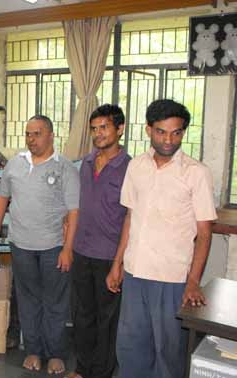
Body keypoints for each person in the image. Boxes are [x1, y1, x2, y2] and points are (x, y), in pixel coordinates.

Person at [106, 99, 217, 378]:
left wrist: (193, 282)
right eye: (161, 132)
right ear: (148, 130)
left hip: (172, 277)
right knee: (131, 347)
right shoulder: (137, 167)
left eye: (176, 132)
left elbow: (204, 233)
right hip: (135, 272)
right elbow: (131, 216)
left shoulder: (196, 173)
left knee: (168, 350)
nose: (169, 139)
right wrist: (117, 263)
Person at [0, 115, 80, 375]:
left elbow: (73, 212)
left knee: (55, 302)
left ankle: (56, 353)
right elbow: (2, 197)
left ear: (50, 136)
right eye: (28, 134)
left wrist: (68, 248)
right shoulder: (15, 164)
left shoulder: (64, 168)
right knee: (27, 300)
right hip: (21, 244)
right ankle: (34, 351)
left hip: (53, 247)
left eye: (37, 133)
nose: (31, 139)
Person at [66, 104, 131, 378]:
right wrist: (68, 245)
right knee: (82, 316)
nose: (98, 133)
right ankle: (82, 369)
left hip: (109, 256)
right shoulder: (86, 163)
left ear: (120, 129)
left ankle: (101, 374)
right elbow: (76, 208)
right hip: (82, 251)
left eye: (104, 127)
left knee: (107, 321)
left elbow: (132, 217)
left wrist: (119, 263)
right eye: (94, 128)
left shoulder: (130, 167)